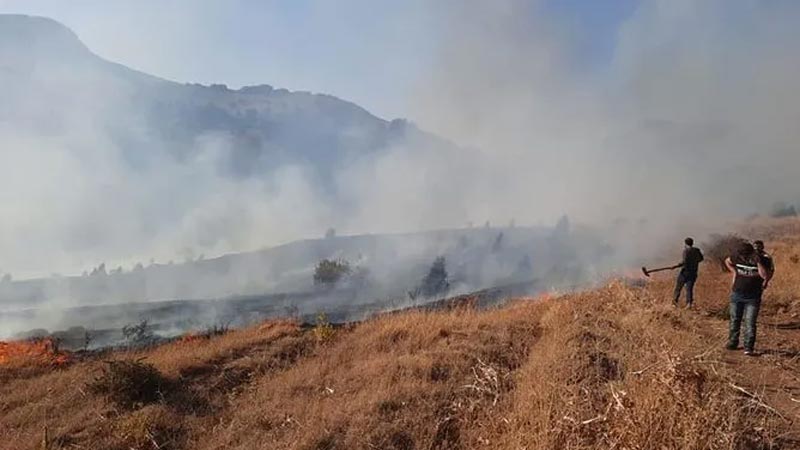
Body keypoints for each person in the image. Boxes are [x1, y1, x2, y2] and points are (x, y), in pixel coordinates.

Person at [725, 241, 773, 355]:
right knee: (735, 319)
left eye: (745, 254)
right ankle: (733, 342)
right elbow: (727, 261)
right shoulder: (737, 256)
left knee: (750, 322)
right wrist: (734, 272)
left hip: (753, 296)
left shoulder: (763, 259)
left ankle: (748, 347)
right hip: (737, 293)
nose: (743, 257)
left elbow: (765, 275)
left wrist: (758, 262)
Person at [672, 237, 704, 307]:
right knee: (689, 288)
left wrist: (677, 265)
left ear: (685, 244)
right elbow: (701, 259)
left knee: (678, 287)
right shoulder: (697, 250)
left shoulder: (686, 251)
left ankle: (674, 302)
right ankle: (689, 303)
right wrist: (694, 262)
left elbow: (684, 261)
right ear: (692, 243)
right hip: (693, 272)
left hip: (685, 272)